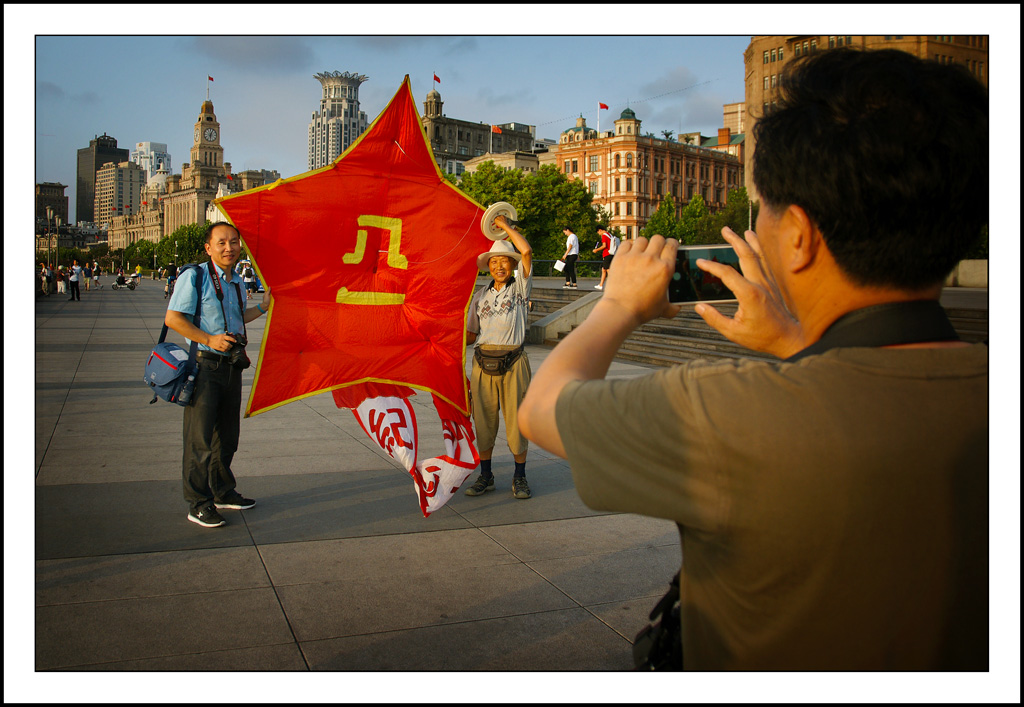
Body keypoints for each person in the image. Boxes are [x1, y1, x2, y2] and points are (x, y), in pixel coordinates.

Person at [517, 48, 988, 670]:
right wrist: (798, 343)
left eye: (761, 208)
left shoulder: (731, 410)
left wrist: (617, 306)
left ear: (797, 234)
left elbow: (545, 409)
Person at [164, 222, 271, 528]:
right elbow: (173, 318)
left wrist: (262, 308)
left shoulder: (237, 281)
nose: (229, 248)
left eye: (234, 242)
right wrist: (209, 338)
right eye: (222, 242)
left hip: (231, 367)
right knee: (199, 440)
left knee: (227, 437)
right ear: (209, 248)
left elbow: (238, 318)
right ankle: (198, 502)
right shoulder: (195, 276)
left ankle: (223, 491)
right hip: (204, 366)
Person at [464, 214, 534, 500]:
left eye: (504, 261)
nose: (498, 266)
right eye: (493, 262)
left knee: (517, 423)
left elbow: (527, 251)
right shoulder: (479, 296)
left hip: (514, 363)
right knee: (484, 423)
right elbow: (470, 335)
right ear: (488, 268)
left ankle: (520, 478)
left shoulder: (519, 288)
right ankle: (486, 475)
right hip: (483, 363)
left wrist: (506, 228)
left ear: (512, 265)